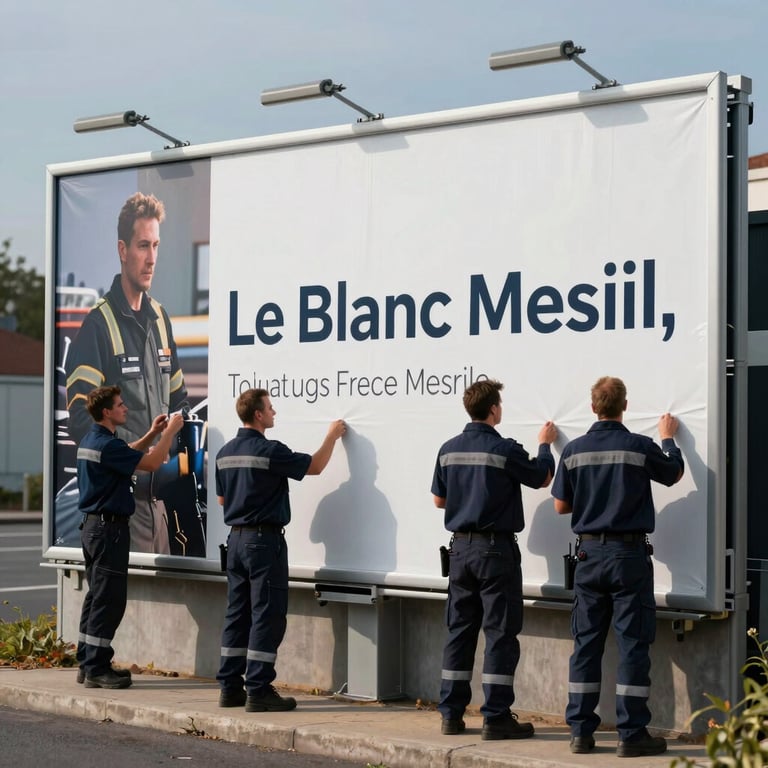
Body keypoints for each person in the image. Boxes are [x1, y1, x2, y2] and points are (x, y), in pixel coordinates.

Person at [551, 376, 684, 758]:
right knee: (632, 645)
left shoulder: (574, 451)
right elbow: (673, 474)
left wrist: (595, 500)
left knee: (586, 645)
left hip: (589, 557)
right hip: (628, 559)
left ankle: (580, 732)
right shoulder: (640, 447)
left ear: (593, 407)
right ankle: (631, 734)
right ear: (624, 405)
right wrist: (668, 438)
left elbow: (561, 505)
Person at [431, 379, 557, 740]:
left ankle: (451, 715)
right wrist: (545, 445)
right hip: (494, 551)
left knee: (460, 632)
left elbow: (439, 500)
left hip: (459, 551)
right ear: (493, 410)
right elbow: (543, 477)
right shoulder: (504, 449)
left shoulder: (448, 449)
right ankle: (496, 717)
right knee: (500, 633)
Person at [65, 192, 189, 554]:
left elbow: (181, 402)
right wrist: (127, 460)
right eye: (142, 246)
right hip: (120, 510)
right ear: (122, 250)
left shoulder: (161, 320)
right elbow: (79, 420)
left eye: (156, 246)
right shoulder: (97, 327)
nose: (151, 258)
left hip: (160, 508)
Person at [215, 389, 346, 712]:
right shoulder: (269, 451)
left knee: (237, 614)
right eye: (271, 408)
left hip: (235, 541)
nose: (274, 413)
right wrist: (332, 436)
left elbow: (221, 500)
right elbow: (314, 467)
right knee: (267, 615)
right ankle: (258, 689)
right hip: (264, 541)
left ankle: (230, 688)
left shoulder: (225, 453)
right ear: (258, 415)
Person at [76, 385, 184, 689]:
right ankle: (97, 668)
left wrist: (151, 433)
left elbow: (127, 455)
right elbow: (150, 464)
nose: (125, 408)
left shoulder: (94, 440)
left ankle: (87, 662)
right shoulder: (107, 445)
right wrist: (169, 434)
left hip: (93, 528)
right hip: (108, 530)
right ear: (107, 412)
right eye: (121, 405)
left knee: (96, 595)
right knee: (109, 600)